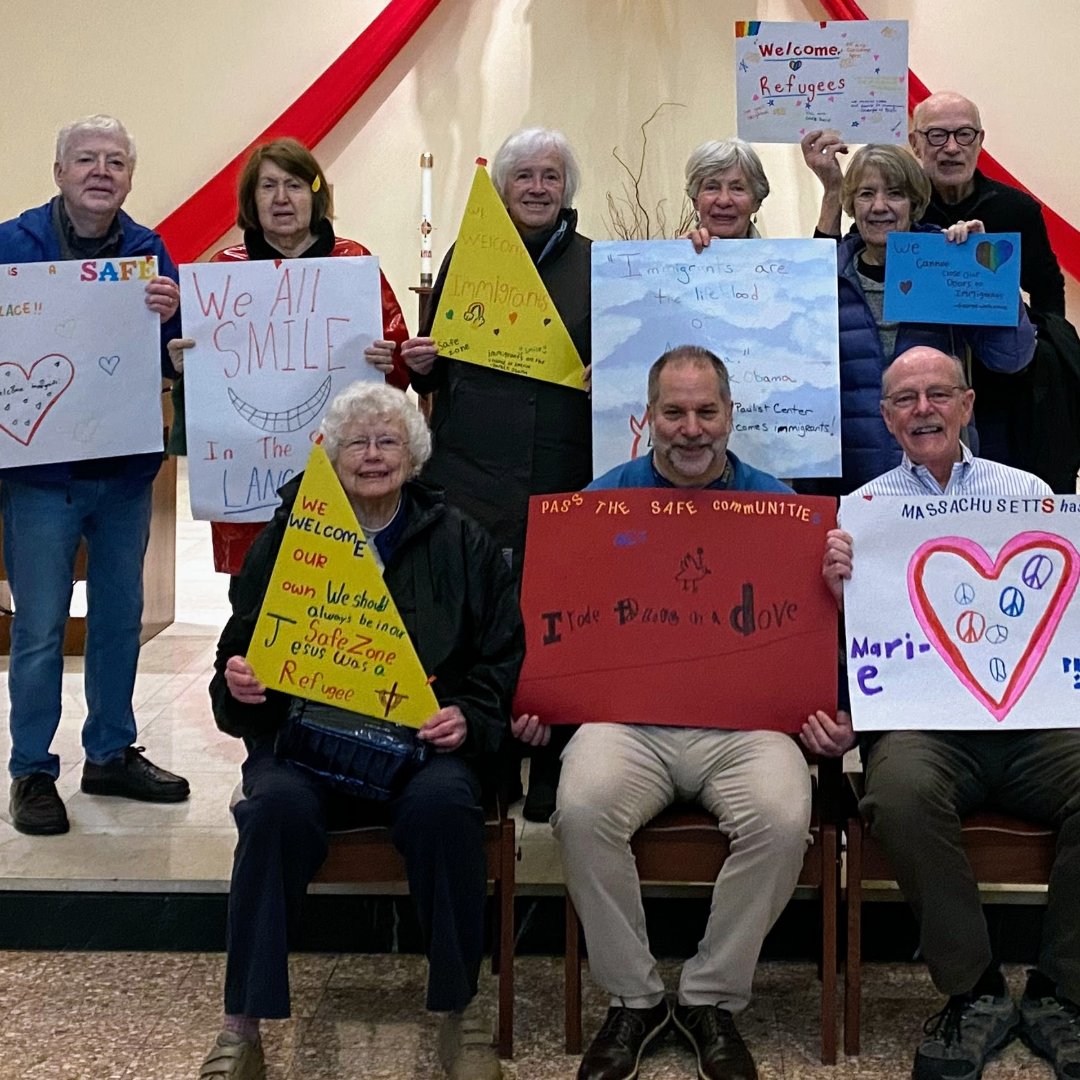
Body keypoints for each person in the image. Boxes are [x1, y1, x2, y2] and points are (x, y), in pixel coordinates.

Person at [200, 382, 524, 1080]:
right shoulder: (287, 537)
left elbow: (501, 657)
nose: (373, 456)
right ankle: (241, 1028)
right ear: (330, 453)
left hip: (420, 754)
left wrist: (468, 713)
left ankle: (458, 1015)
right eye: (358, 442)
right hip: (305, 747)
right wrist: (243, 687)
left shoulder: (462, 540)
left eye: (389, 442)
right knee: (271, 813)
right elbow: (239, 656)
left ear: (415, 456)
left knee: (446, 808)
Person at [807, 345, 1080, 1080]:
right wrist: (835, 594)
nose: (922, 408)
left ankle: (1063, 992)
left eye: (937, 394)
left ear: (966, 404)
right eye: (904, 399)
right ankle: (977, 989)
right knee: (894, 793)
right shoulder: (859, 517)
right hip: (925, 728)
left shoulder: (1030, 494)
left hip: (1033, 722)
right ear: (887, 418)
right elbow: (842, 644)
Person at [550, 345, 812, 1080]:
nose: (690, 429)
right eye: (674, 412)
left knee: (785, 817)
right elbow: (565, 626)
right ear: (649, 419)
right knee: (581, 804)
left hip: (747, 726)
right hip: (629, 722)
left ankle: (709, 999)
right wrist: (543, 699)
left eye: (705, 412)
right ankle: (633, 998)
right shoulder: (599, 504)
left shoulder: (780, 506)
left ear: (730, 416)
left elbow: (808, 634)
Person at [0, 115, 189, 836]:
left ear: (130, 178)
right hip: (40, 475)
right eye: (86, 159)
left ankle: (109, 751)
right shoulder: (10, 246)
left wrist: (173, 320)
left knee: (118, 620)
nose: (100, 171)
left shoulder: (150, 252)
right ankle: (30, 770)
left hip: (123, 472)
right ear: (59, 172)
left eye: (114, 160)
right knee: (41, 626)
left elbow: (177, 355)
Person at [402, 127, 591, 822]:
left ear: (566, 190)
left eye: (550, 176)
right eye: (524, 177)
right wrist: (420, 362)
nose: (538, 187)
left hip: (561, 464)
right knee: (481, 616)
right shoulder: (466, 258)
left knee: (558, 617)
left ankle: (553, 756)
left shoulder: (597, 264)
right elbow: (440, 363)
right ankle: (487, 753)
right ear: (503, 189)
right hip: (472, 466)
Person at [167, 137, 411, 576]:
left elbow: (399, 372)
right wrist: (187, 365)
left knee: (342, 597)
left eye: (295, 185)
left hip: (343, 472)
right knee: (255, 605)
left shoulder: (353, 262)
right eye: (268, 186)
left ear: (315, 195)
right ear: (251, 200)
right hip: (250, 483)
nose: (282, 198)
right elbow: (200, 389)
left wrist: (387, 359)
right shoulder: (222, 272)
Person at [799, 143, 1035, 494]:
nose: (879, 207)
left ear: (914, 203)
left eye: (895, 194)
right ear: (851, 205)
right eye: (866, 194)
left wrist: (987, 275)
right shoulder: (823, 278)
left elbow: (1011, 358)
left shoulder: (947, 265)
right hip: (851, 485)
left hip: (942, 480)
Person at [683, 137, 771, 249]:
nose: (723, 201)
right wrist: (679, 254)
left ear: (756, 202)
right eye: (712, 188)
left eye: (737, 189)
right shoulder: (670, 259)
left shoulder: (780, 262)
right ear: (695, 200)